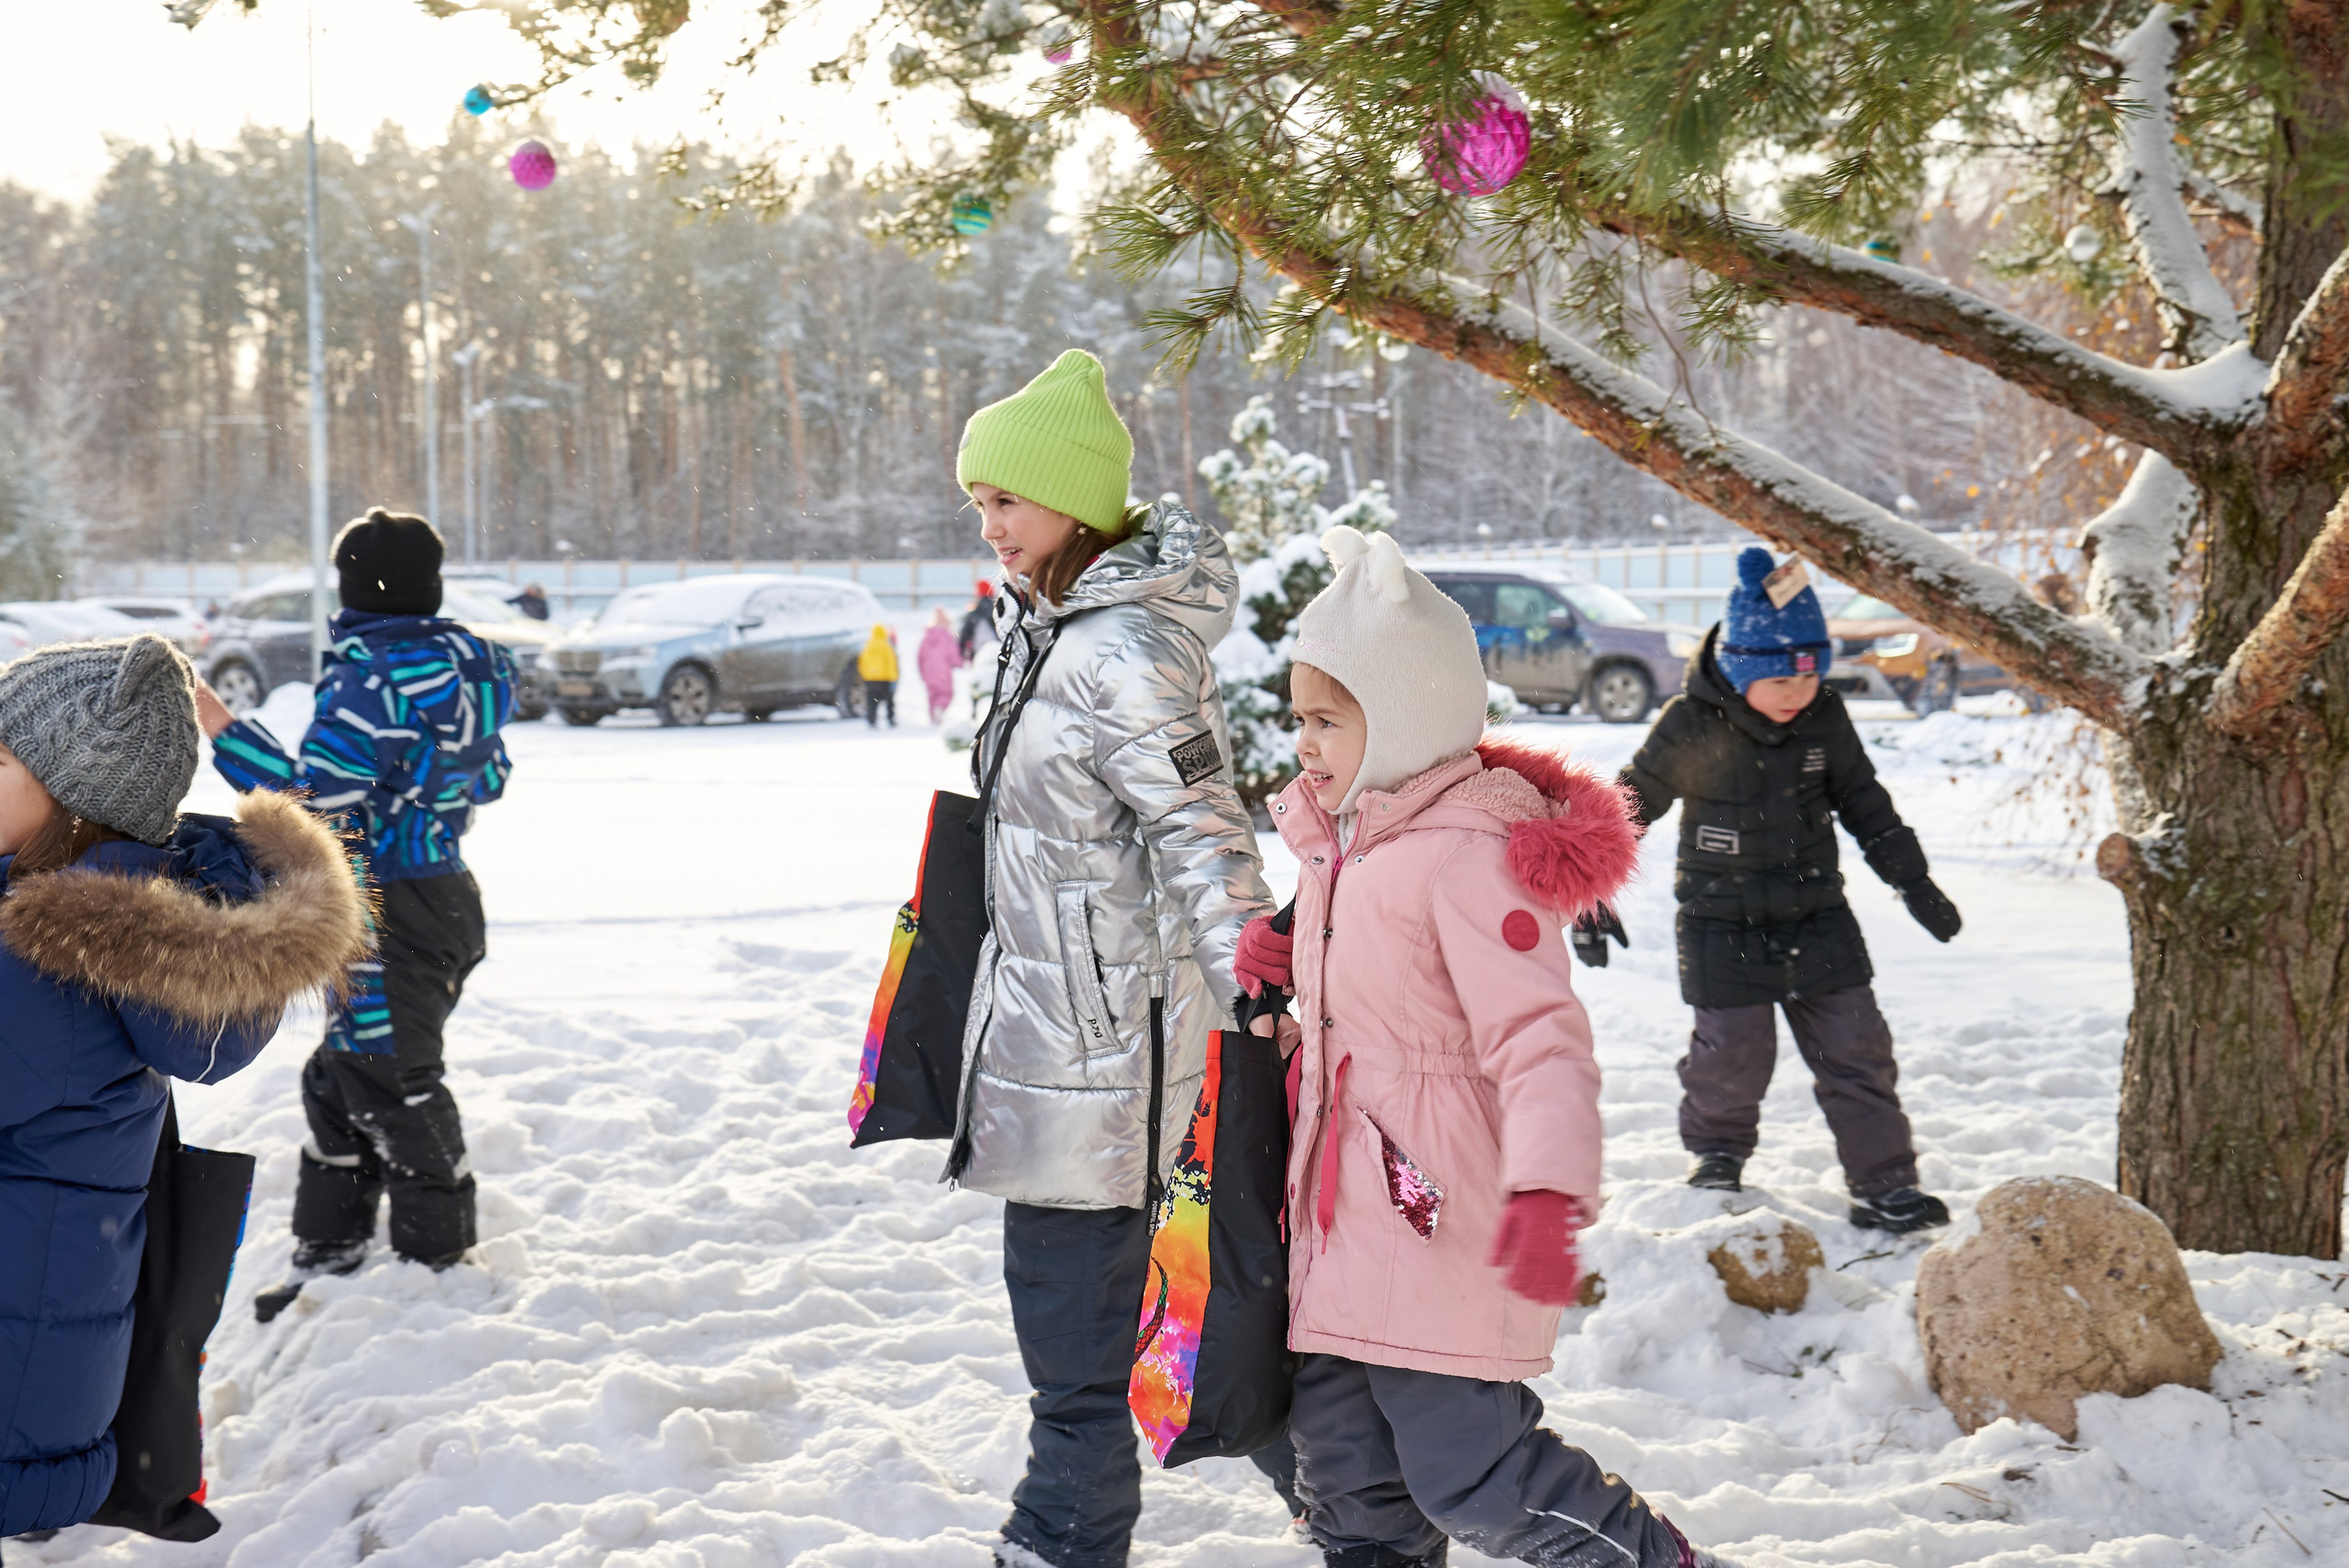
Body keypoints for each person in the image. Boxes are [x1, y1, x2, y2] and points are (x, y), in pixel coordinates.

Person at [1230, 527, 1732, 1568]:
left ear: (1403, 714)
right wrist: (1283, 979)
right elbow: (1348, 1035)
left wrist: (1548, 1192)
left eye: (1328, 719)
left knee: (1480, 1480)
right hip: (1333, 1231)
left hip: (1438, 1222)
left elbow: (1541, 1041)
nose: (1304, 744)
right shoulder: (1344, 847)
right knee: (1349, 1488)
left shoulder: (1466, 856)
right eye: (1298, 720)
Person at [948, 350, 1277, 1568]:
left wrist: (1255, 976)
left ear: (1076, 501)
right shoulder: (1051, 633)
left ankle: (1060, 1544)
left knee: (1083, 1349)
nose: (987, 523)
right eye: (978, 500)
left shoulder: (1121, 653)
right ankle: (1362, 1509)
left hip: (1105, 1052)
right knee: (1118, 1328)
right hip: (1052, 1031)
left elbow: (1203, 831)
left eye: (1006, 499)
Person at [0, 636, 367, 1542]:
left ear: (73, 793)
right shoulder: (73, 920)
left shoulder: (44, 958)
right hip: (41, 1344)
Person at [197, 508, 518, 1318]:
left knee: (389, 1077)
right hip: (442, 895)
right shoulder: (475, 668)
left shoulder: (369, 675)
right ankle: (331, 1248)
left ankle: (437, 1260)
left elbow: (315, 800)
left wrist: (225, 732)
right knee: (341, 1072)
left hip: (386, 906)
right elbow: (489, 778)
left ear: (351, 590)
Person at [1605, 546, 1961, 1233]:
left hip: (1816, 913)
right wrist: (1587, 891)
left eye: (1810, 675)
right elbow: (1627, 805)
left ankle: (1886, 1183)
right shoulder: (1690, 721)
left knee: (1858, 1049)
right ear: (1741, 670)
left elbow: (1867, 804)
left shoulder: (1823, 717)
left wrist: (1913, 882)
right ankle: (1716, 1155)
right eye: (1782, 681)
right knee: (1732, 1056)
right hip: (1719, 920)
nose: (1800, 693)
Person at [917, 606, 964, 724]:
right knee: (946, 693)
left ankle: (933, 716)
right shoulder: (947, 637)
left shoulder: (926, 638)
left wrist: (923, 673)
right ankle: (940, 709)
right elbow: (953, 655)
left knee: (932, 695)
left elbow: (920, 658)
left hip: (929, 673)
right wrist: (960, 663)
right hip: (943, 673)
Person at [857, 622, 899, 727]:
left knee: (872, 701)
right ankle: (890, 718)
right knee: (889, 701)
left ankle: (871, 718)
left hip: (871, 679)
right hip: (885, 679)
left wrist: (865, 675)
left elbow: (862, 662)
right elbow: (890, 662)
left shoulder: (867, 646)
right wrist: (893, 676)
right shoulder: (886, 646)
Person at [959, 577, 998, 661]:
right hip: (996, 649)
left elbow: (964, 634)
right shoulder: (996, 610)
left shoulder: (975, 612)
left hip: (978, 652)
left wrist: (961, 651)